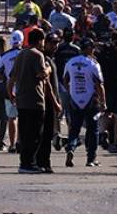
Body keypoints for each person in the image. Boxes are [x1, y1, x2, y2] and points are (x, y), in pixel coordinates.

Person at [9, 27, 50, 174]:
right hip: (35, 100)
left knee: (25, 133)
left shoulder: (21, 54)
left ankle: (24, 162)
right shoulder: (38, 55)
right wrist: (48, 69)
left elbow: (12, 77)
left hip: (21, 99)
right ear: (40, 40)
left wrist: (11, 94)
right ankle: (29, 163)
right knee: (35, 134)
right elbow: (41, 74)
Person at [63, 37, 105, 167]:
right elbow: (99, 84)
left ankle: (71, 148)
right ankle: (91, 158)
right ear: (89, 48)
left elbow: (65, 79)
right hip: (91, 100)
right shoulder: (93, 64)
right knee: (93, 129)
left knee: (74, 129)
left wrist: (71, 91)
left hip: (75, 99)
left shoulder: (70, 62)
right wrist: (103, 101)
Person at [36, 31, 64, 173]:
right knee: (45, 134)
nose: (55, 46)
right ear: (45, 43)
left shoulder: (52, 59)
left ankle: (43, 161)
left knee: (48, 134)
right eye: (52, 43)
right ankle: (43, 162)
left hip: (52, 101)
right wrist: (55, 102)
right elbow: (46, 84)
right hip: (46, 102)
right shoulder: (44, 59)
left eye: (57, 43)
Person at [0, 30, 25, 151]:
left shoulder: (4, 56)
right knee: (24, 117)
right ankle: (20, 142)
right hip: (25, 90)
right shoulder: (26, 54)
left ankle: (12, 144)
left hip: (10, 89)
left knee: (12, 118)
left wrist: (6, 78)